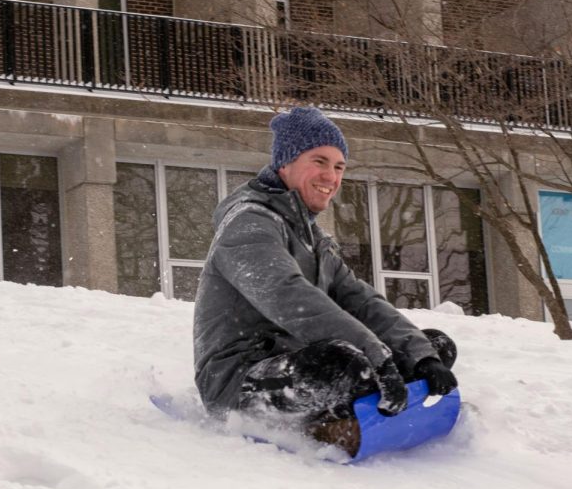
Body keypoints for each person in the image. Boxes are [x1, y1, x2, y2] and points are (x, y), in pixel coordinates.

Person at [193, 106, 458, 450]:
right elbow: (289, 297)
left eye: (338, 167)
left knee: (433, 346)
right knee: (345, 364)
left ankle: (353, 405)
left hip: (299, 360)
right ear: (284, 164)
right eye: (319, 162)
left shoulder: (314, 239)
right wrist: (375, 356)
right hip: (241, 381)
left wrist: (421, 357)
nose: (331, 177)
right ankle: (323, 428)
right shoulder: (248, 224)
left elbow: (362, 302)